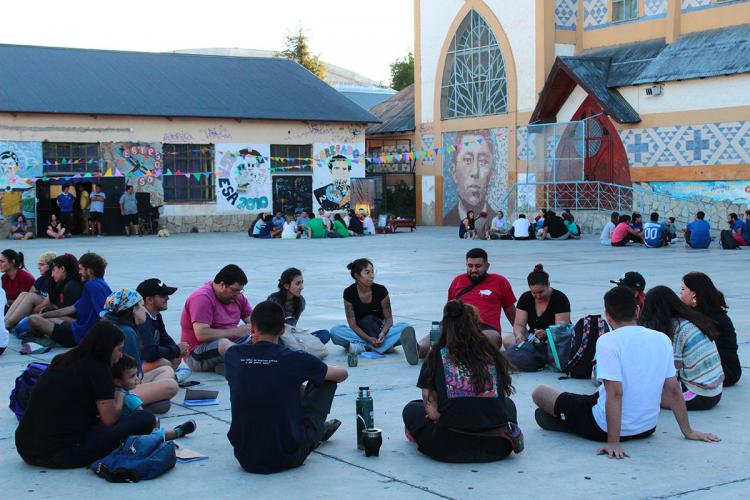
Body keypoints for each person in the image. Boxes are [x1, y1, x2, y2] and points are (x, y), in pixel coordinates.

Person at [532, 286, 720, 458]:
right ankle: (565, 418)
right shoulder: (662, 339)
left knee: (539, 392)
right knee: (591, 398)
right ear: (637, 310)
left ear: (608, 315)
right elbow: (673, 390)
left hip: (603, 428)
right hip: (647, 427)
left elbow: (616, 392)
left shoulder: (608, 341)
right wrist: (688, 431)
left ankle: (565, 420)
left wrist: (613, 442)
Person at [226, 301, 347, 474]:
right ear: (283, 330)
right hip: (287, 456)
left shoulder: (233, 356)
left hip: (245, 456)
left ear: (252, 329)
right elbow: (341, 374)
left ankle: (306, 427)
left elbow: (258, 375)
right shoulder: (294, 359)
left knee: (275, 383)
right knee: (326, 380)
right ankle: (314, 430)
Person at [15, 322, 156, 469]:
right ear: (107, 348)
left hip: (25, 445)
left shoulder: (65, 359)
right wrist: (120, 393)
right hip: (57, 453)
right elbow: (109, 419)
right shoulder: (99, 368)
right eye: (119, 350)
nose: (121, 355)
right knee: (145, 419)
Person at [402, 300, 519, 463]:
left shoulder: (436, 355)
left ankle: (418, 434)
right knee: (509, 404)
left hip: (449, 447)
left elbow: (433, 413)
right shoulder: (490, 352)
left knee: (411, 410)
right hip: (498, 446)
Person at [640, 286, 724, 411]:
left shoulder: (675, 329)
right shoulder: (691, 319)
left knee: (643, 397)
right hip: (715, 391)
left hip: (698, 395)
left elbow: (671, 373)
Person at [101, 288, 179, 413]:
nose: (144, 310)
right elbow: (128, 376)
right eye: (141, 307)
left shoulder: (116, 327)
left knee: (166, 369)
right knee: (171, 386)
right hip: (117, 390)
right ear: (132, 311)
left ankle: (149, 400)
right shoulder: (127, 332)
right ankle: (137, 403)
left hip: (121, 383)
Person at [330, 258, 416, 358]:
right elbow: (352, 324)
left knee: (405, 328)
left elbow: (389, 320)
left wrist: (382, 334)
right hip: (361, 333)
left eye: (372, 272)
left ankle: (362, 347)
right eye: (367, 272)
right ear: (357, 275)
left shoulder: (381, 290)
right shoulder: (349, 293)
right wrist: (368, 339)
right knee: (335, 332)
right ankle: (383, 347)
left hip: (380, 332)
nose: (372, 276)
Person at [27, 252, 111, 347]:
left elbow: (104, 316)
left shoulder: (92, 286)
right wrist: (44, 315)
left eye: (81, 269)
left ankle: (48, 340)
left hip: (78, 336)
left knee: (33, 319)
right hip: (77, 329)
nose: (79, 272)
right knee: (42, 317)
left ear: (89, 270)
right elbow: (71, 308)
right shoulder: (101, 283)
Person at [180, 264, 253, 373]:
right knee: (223, 344)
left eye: (240, 291)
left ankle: (231, 365)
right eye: (235, 290)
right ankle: (249, 365)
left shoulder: (238, 297)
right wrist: (237, 332)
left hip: (232, 345)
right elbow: (202, 334)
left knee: (266, 335)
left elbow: (255, 321)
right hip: (196, 354)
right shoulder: (202, 298)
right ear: (222, 284)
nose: (238, 294)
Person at [111, 354, 196, 440]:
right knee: (157, 434)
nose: (137, 379)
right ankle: (178, 432)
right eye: (132, 376)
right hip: (134, 434)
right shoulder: (130, 398)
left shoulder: (111, 395)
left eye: (136, 375)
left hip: (123, 430)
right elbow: (142, 417)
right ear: (118, 382)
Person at [506, 264, 571, 371]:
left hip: (554, 341)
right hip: (533, 338)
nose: (537, 296)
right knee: (508, 340)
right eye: (534, 292)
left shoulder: (559, 298)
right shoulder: (526, 297)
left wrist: (547, 333)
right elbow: (519, 324)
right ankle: (535, 357)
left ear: (548, 284)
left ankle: (535, 358)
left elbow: (562, 329)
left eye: (541, 292)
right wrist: (519, 334)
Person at [680, 272, 740, 387]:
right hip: (719, 367)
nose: (681, 293)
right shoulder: (704, 312)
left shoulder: (709, 318)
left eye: (683, 289)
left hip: (723, 371)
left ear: (693, 294)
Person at [14, 254, 83, 338]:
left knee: (37, 319)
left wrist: (45, 315)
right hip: (68, 321)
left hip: (75, 327)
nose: (52, 275)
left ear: (62, 269)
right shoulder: (62, 284)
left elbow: (71, 315)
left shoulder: (72, 286)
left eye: (53, 270)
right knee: (39, 312)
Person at [267, 267, 331, 345]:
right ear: (286, 286)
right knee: (279, 342)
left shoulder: (301, 301)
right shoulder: (273, 300)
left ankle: (295, 348)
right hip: (276, 336)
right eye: (297, 283)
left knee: (325, 334)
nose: (302, 287)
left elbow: (294, 325)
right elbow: (268, 327)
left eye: (302, 283)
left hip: (292, 336)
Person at [444, 130, 494, 226]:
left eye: (483, 162)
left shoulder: (495, 219)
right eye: (467, 160)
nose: (475, 172)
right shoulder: (447, 220)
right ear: (454, 172)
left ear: (491, 175)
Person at [136, 278, 187, 372]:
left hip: (146, 361)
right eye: (163, 295)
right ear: (149, 299)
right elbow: (149, 353)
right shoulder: (141, 321)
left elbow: (165, 338)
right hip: (134, 366)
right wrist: (175, 349)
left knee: (176, 357)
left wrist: (177, 350)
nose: (168, 298)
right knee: (164, 363)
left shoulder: (156, 315)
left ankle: (167, 378)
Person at [4, 251, 55, 331]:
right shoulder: (41, 279)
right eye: (39, 264)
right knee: (24, 294)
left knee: (31, 296)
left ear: (51, 266)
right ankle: (5, 322)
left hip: (51, 307)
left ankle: (8, 324)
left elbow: (48, 301)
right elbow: (28, 295)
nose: (38, 267)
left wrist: (31, 309)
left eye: (42, 265)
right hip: (39, 305)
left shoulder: (54, 280)